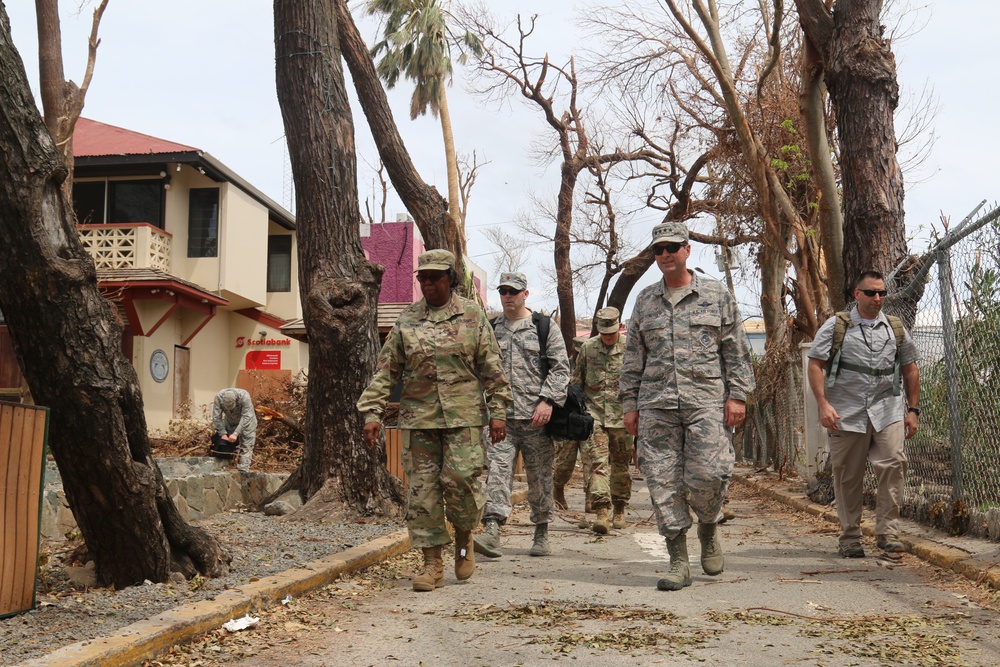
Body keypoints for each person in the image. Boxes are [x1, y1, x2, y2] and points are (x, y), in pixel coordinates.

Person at [357, 249, 511, 592]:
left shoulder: (472, 315)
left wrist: (498, 412)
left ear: (450, 279)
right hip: (419, 418)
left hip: (464, 418)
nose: (427, 283)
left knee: (462, 481)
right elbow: (386, 370)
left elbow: (492, 367)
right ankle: (431, 565)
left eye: (434, 277)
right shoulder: (408, 319)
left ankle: (463, 539)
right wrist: (373, 413)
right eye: (422, 278)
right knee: (422, 493)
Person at [620, 222, 755, 591]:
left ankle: (709, 525)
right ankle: (678, 559)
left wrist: (737, 395)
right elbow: (633, 357)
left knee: (711, 473)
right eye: (658, 250)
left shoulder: (716, 294)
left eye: (671, 248)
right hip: (656, 405)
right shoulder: (645, 300)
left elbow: (736, 350)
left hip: (706, 402)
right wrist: (630, 405)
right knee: (662, 482)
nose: (664, 255)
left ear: (687, 250)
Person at [807, 270, 920, 558]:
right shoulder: (837, 326)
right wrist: (823, 404)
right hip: (846, 411)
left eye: (881, 293)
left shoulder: (894, 328)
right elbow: (815, 364)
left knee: (893, 463)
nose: (877, 298)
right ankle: (850, 538)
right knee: (848, 475)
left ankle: (888, 533)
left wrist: (913, 410)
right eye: (870, 292)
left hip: (888, 409)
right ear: (857, 294)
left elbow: (910, 368)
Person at [474, 272, 571, 558]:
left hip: (535, 419)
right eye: (503, 291)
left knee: (540, 477)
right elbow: (481, 371)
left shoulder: (543, 326)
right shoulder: (491, 328)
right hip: (500, 419)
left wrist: (548, 401)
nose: (508, 296)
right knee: (497, 473)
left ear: (525, 294)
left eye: (513, 291)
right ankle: (492, 530)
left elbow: (561, 368)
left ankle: (541, 531)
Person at [556, 307, 634, 534]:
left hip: (622, 418)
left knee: (621, 467)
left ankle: (619, 508)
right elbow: (577, 384)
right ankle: (602, 511)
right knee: (599, 465)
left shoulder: (630, 348)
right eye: (604, 332)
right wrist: (575, 415)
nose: (608, 337)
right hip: (595, 416)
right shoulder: (589, 348)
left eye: (611, 332)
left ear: (618, 326)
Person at [211, 388, 258, 473]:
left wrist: (236, 433)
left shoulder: (244, 396)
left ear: (236, 399)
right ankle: (226, 466)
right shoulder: (218, 397)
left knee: (246, 446)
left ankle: (243, 470)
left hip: (247, 423)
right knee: (223, 443)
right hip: (229, 421)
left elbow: (246, 417)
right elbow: (216, 417)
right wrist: (222, 433)